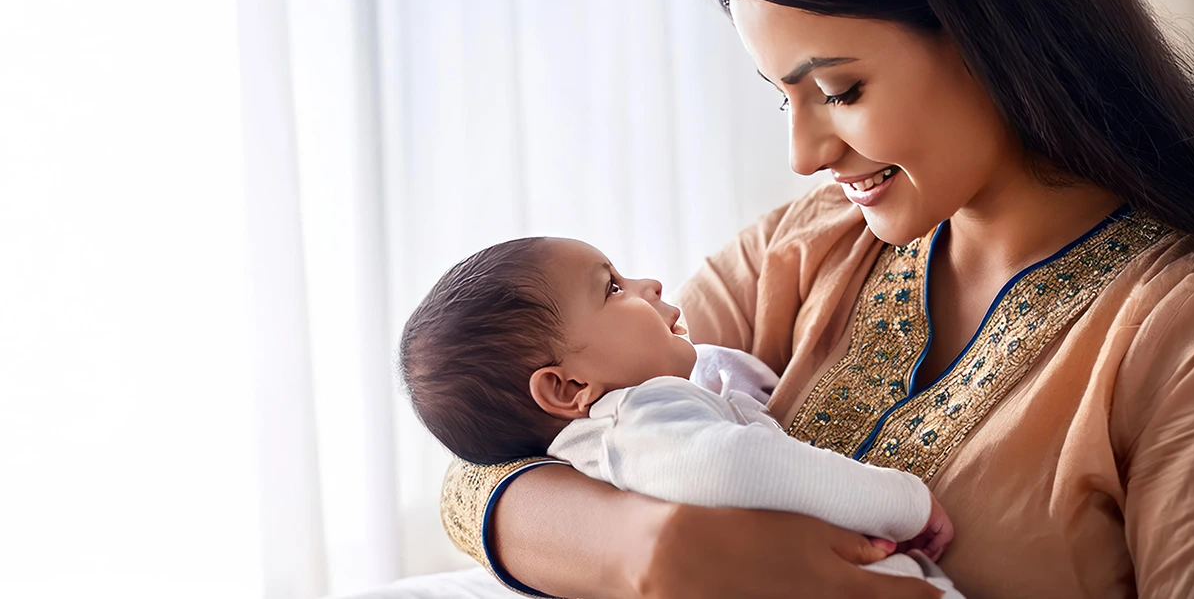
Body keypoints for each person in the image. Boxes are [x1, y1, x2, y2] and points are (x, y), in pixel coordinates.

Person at [438, 0, 1194, 598]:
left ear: (998, 33)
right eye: (784, 97)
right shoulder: (803, 246)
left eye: (839, 91)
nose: (804, 155)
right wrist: (651, 553)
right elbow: (488, 461)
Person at [400, 237, 961, 595]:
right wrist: (905, 503)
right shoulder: (638, 419)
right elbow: (736, 464)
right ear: (568, 387)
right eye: (612, 288)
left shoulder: (618, 435)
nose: (650, 285)